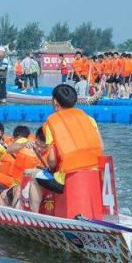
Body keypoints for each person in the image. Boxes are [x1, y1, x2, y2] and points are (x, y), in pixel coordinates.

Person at [28, 84, 104, 214]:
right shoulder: (89, 118)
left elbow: (51, 159)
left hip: (68, 177)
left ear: (55, 102)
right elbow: (101, 147)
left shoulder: (51, 123)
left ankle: (34, 216)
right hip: (95, 174)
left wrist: (51, 170)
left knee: (35, 177)